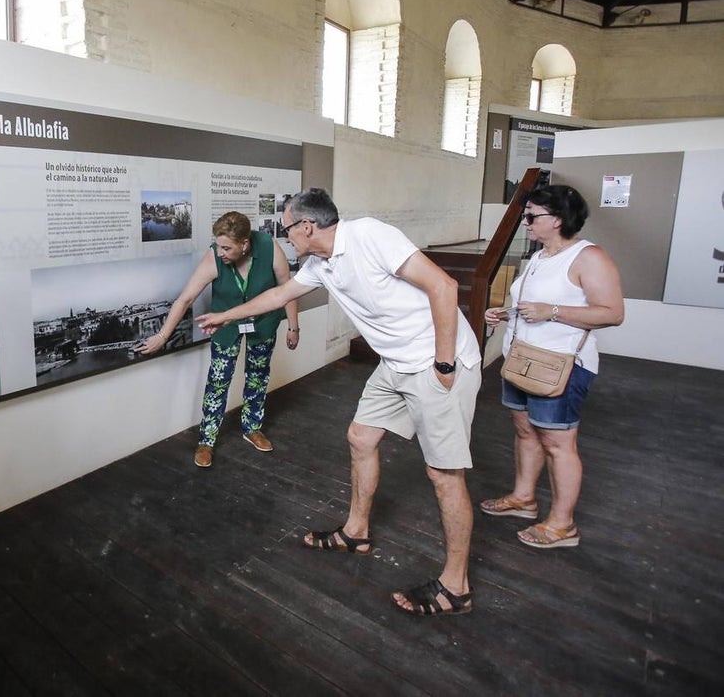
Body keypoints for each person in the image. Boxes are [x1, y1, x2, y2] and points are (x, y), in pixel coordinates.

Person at [196, 188, 482, 616]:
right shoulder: (320, 264)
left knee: (444, 474)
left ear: (307, 227)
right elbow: (279, 295)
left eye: (287, 228)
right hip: (396, 363)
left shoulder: (369, 236)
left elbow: (444, 285)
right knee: (360, 437)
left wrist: (443, 363)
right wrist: (225, 315)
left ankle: (456, 587)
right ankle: (357, 531)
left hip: (437, 361)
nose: (285, 235)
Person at [480, 185, 623, 549]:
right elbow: (531, 306)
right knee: (525, 431)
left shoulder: (588, 256)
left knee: (559, 444)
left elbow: (612, 312)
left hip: (561, 365)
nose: (525, 223)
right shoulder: (539, 257)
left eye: (532, 216)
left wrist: (552, 312)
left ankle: (563, 525)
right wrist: (504, 313)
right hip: (523, 360)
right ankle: (524, 499)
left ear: (557, 219)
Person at [135, 211, 299, 468]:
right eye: (218, 245)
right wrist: (162, 336)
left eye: (226, 247)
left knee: (258, 376)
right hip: (225, 326)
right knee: (218, 382)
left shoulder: (268, 246)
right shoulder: (214, 257)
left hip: (264, 323)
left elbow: (286, 285)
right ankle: (207, 440)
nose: (219, 251)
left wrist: (293, 326)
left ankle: (252, 427)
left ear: (245, 244)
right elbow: (185, 298)